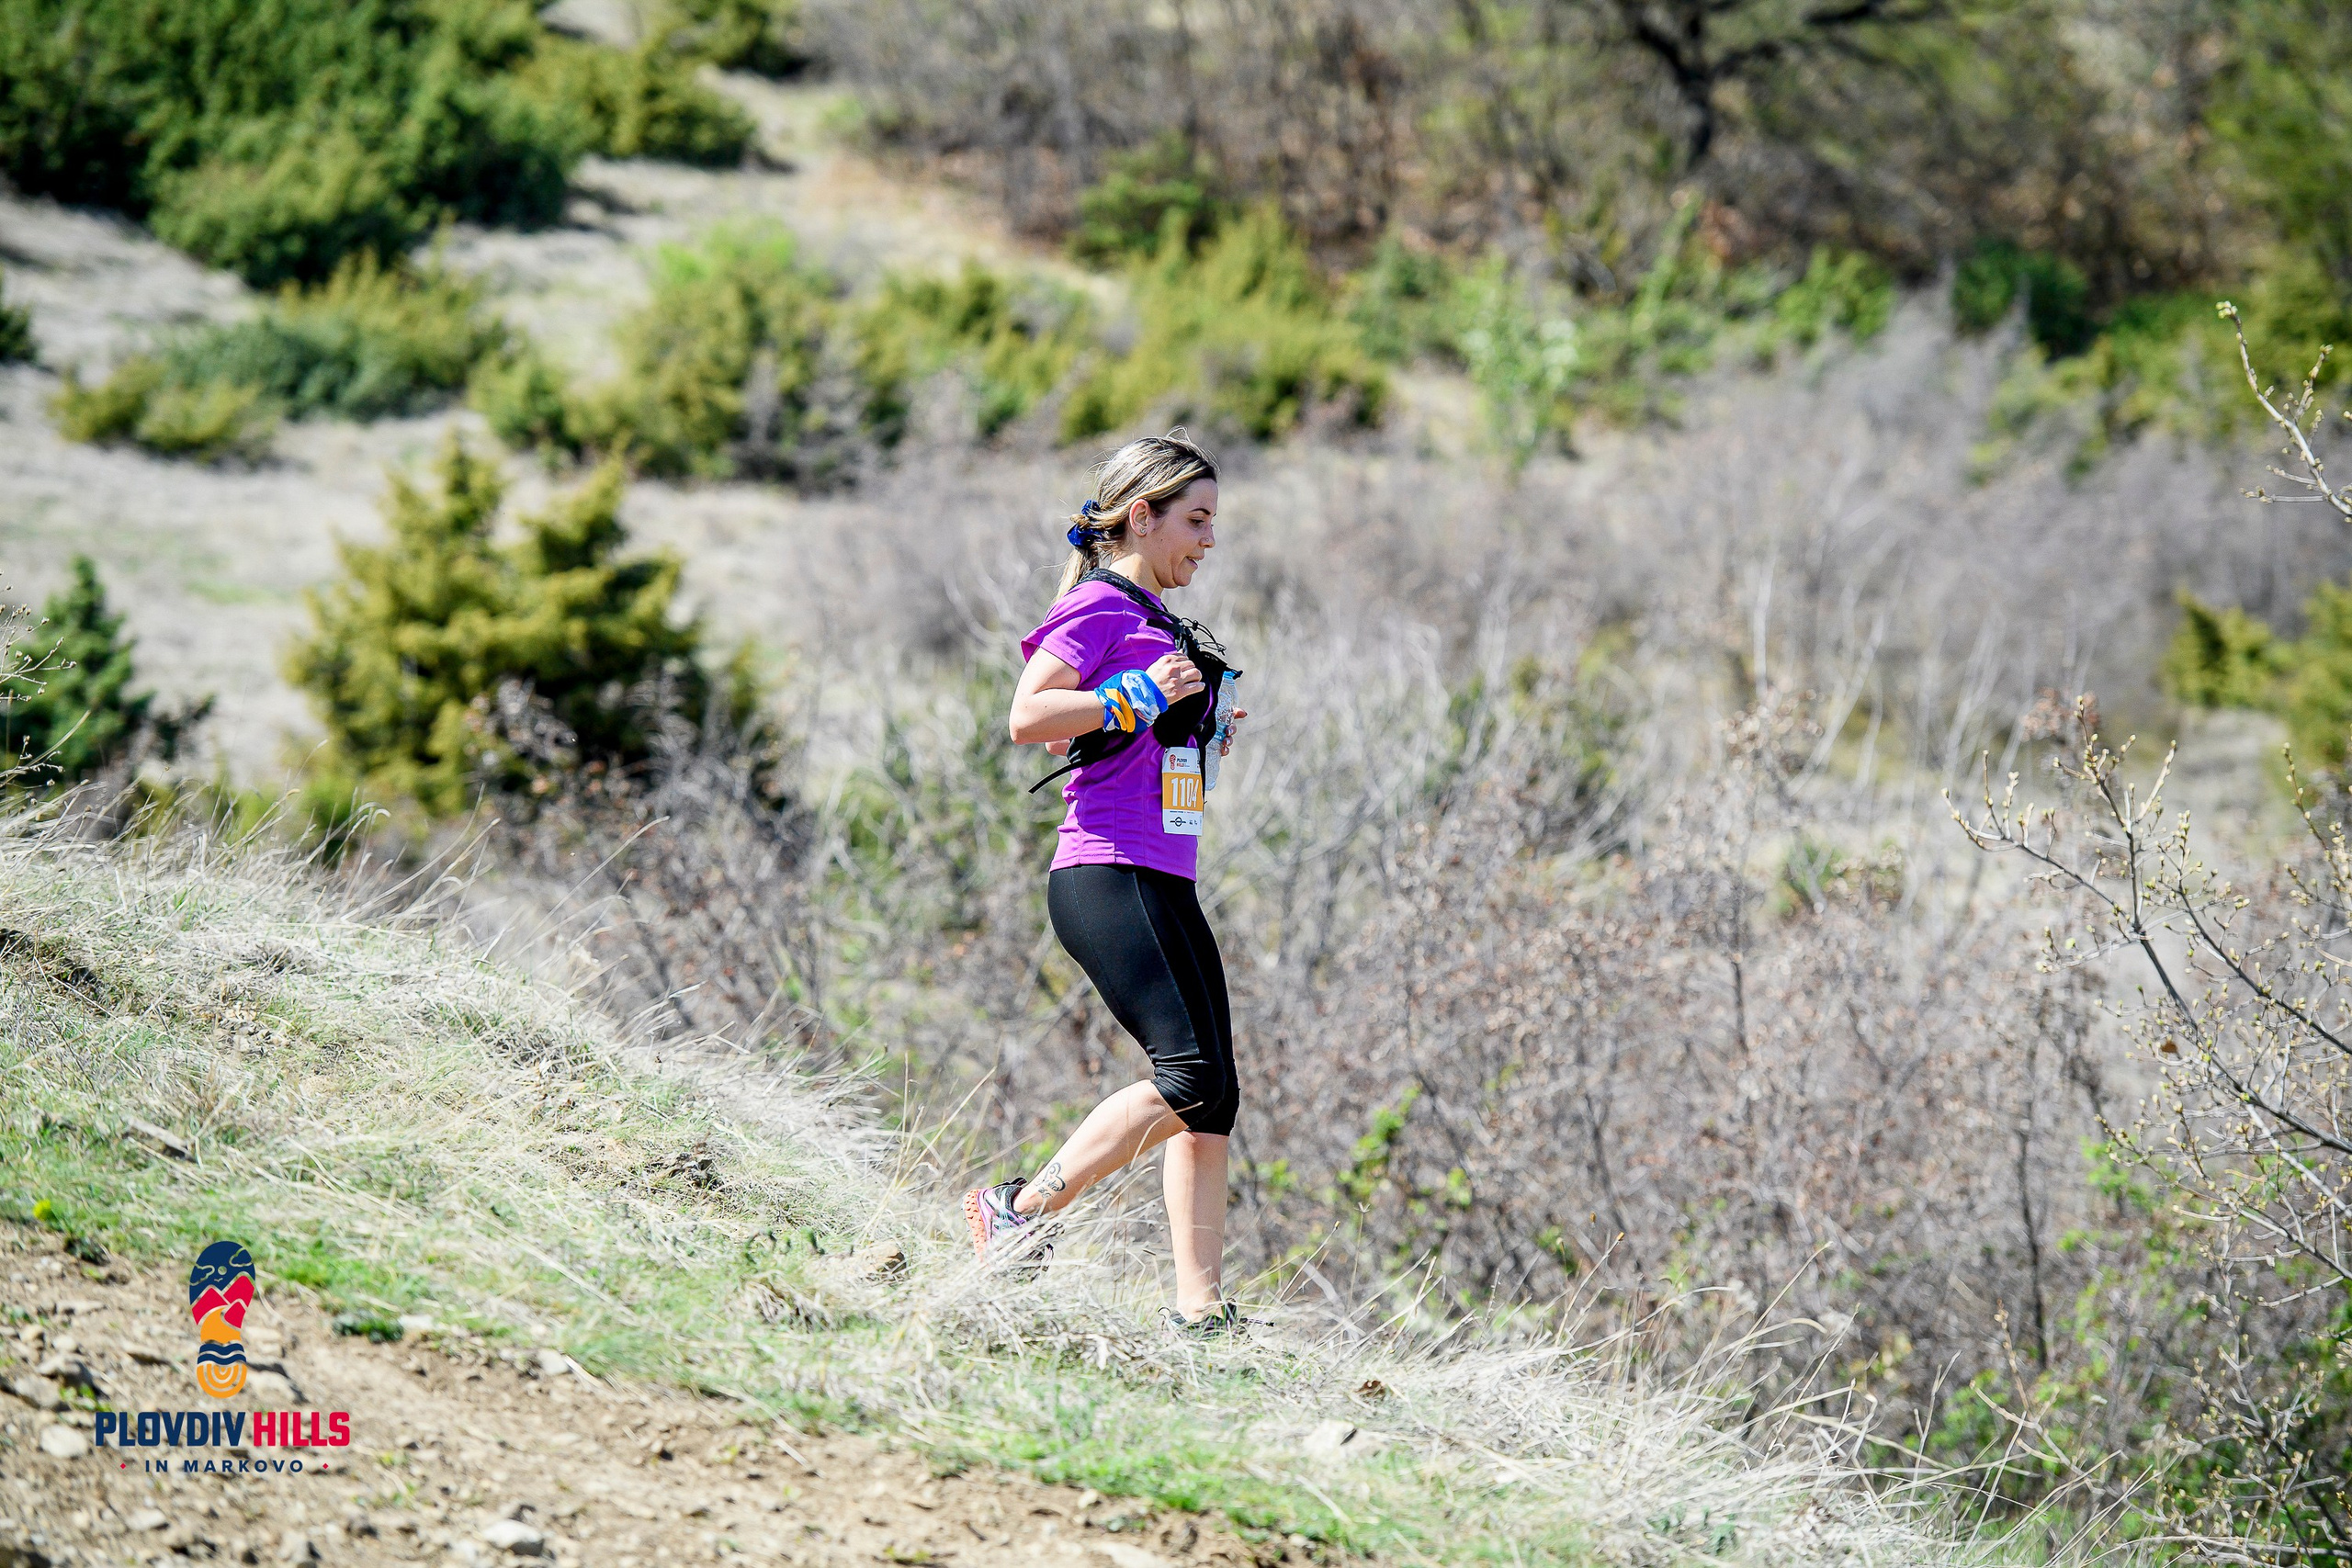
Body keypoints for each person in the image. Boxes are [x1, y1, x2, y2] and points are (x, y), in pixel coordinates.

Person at [964, 431, 1247, 1332]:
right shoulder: (1099, 604)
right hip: (1107, 869)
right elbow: (1030, 717)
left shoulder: (1161, 624)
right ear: (1142, 516)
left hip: (1164, 873)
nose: (1208, 539)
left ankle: (1200, 1312)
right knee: (1189, 1075)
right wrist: (1137, 696)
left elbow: (1087, 737)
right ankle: (1019, 1210)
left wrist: (1202, 730)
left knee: (1212, 1096)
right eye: (1195, 519)